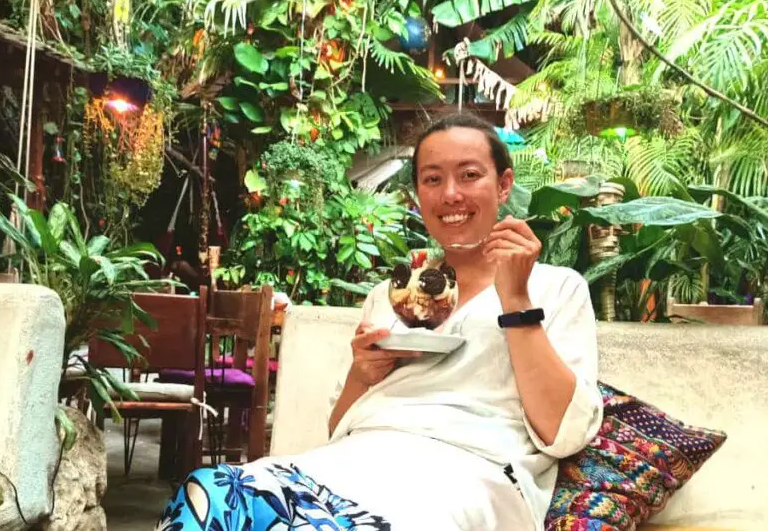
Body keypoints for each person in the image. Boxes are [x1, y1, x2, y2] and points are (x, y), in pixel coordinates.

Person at [155, 113, 604, 531]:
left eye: (470, 175)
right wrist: (362, 370)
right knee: (211, 495)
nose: (450, 194)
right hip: (356, 456)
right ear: (416, 194)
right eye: (433, 179)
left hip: (469, 472)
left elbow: (562, 434)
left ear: (503, 185)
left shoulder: (555, 288)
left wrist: (517, 302)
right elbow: (339, 426)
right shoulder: (389, 296)